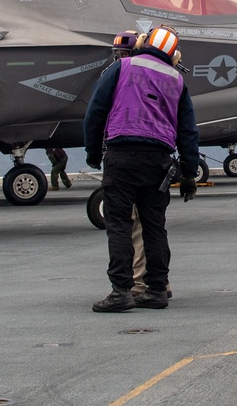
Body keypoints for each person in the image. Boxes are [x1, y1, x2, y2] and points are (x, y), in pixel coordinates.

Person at [84, 25, 199, 312]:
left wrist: (93, 153)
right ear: (173, 54)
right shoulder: (177, 80)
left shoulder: (122, 66)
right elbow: (188, 133)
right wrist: (188, 173)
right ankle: (157, 290)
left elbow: (95, 110)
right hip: (159, 161)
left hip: (122, 157)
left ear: (144, 42)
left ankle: (120, 291)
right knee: (154, 227)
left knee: (120, 224)